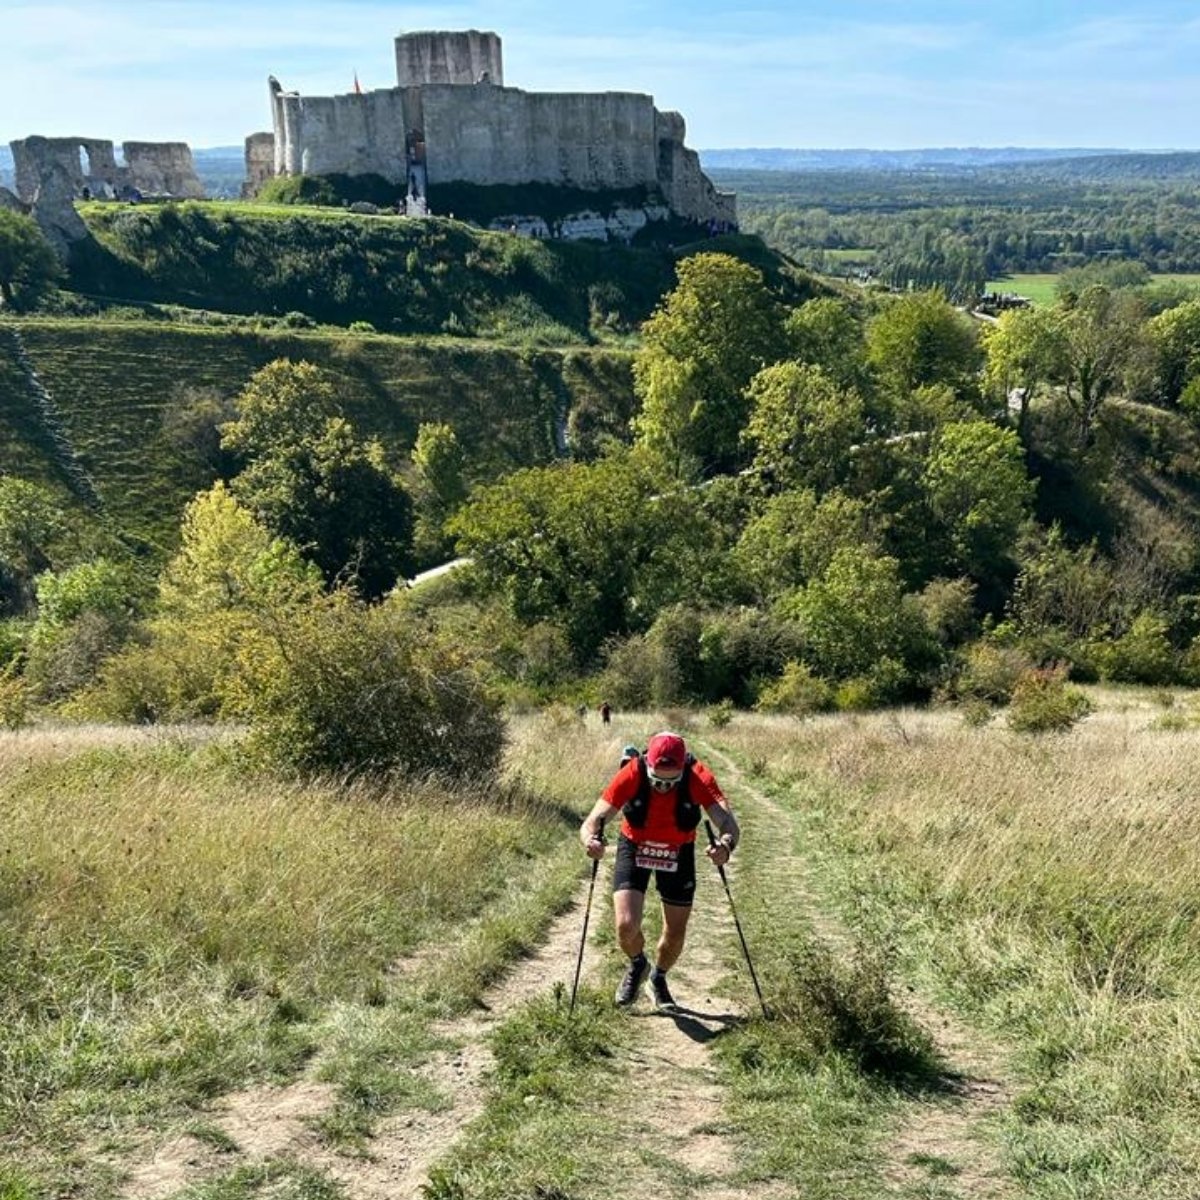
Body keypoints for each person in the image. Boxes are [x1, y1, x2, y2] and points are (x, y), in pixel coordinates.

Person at [579, 730, 740, 1010]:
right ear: (648, 764)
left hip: (679, 851)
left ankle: (658, 977)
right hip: (635, 845)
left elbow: (728, 823)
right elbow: (593, 820)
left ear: (682, 769)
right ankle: (638, 964)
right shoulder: (632, 772)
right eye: (657, 781)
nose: (663, 788)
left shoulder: (698, 776)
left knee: (675, 933)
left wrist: (725, 847)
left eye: (671, 782)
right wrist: (591, 840)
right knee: (626, 926)